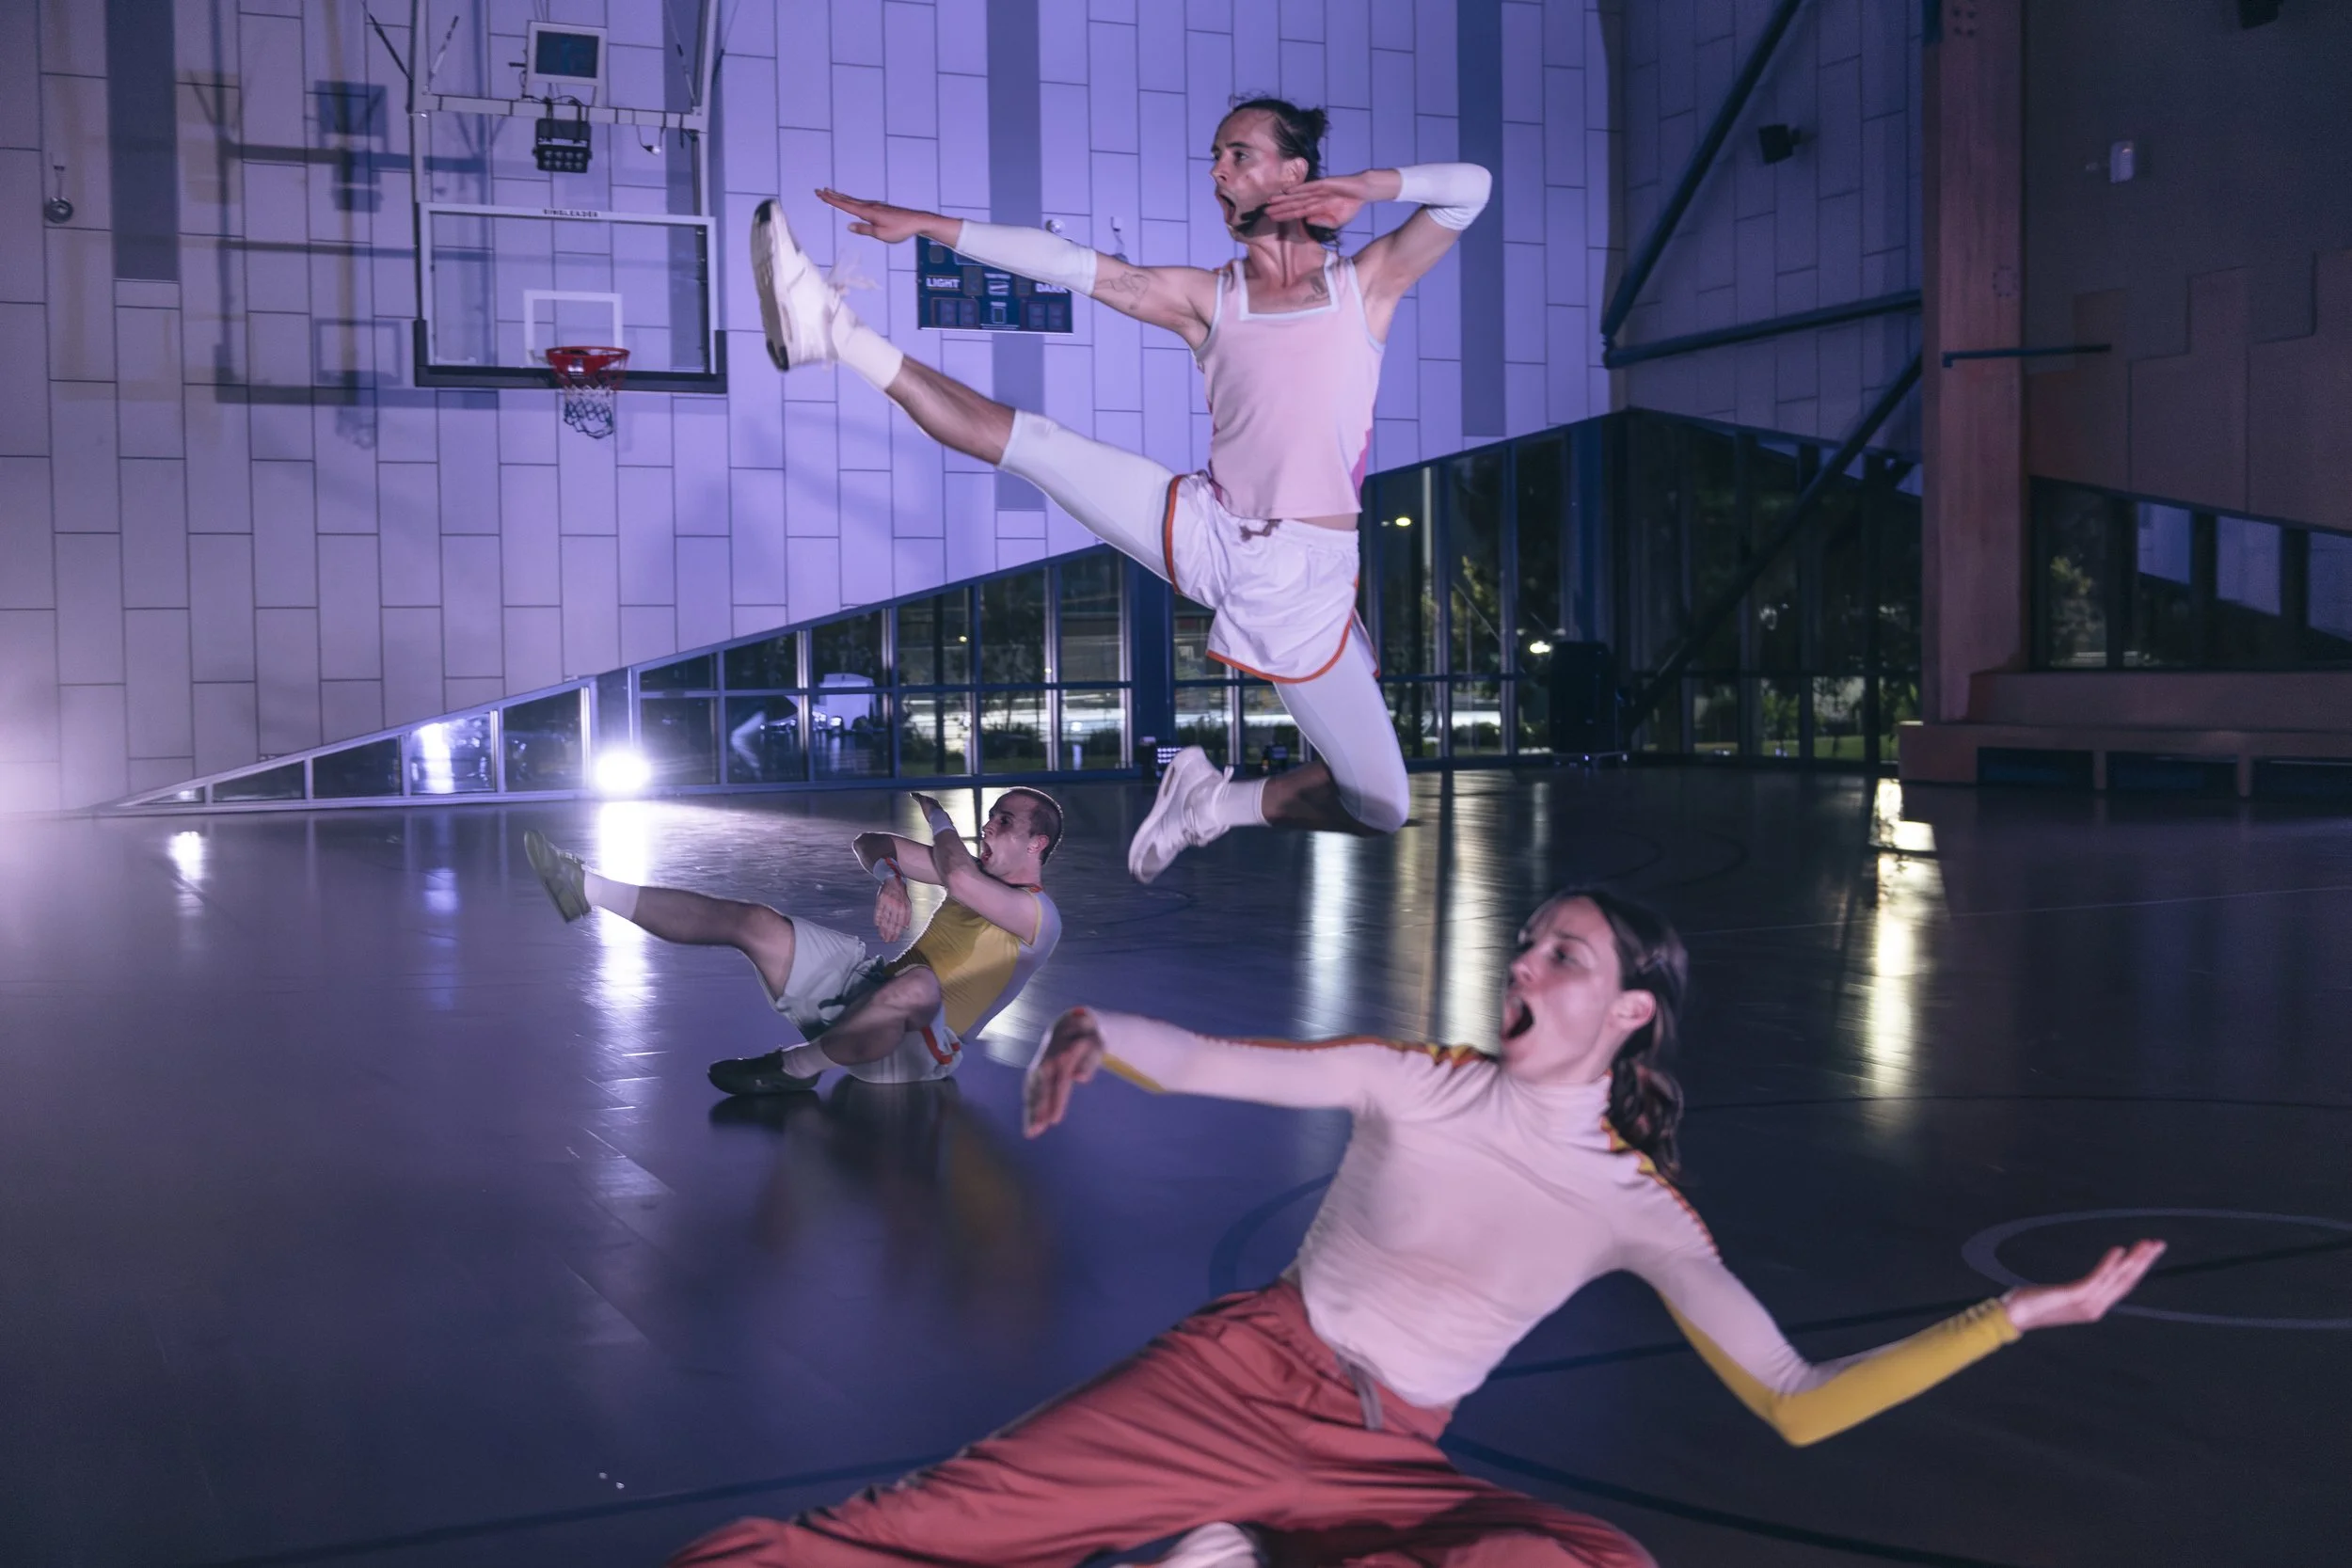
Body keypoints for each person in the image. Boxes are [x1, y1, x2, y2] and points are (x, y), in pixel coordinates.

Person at [666, 887, 2166, 1568]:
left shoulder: (1642, 1209)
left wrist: (2014, 1316)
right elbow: (1210, 1058)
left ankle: (1240, 1551)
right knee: (895, 1538)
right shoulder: (1422, 1080)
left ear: (1629, 1006)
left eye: (1559, 951)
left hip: (1389, 1451)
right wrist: (1092, 1027)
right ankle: (1227, 1536)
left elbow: (1793, 1400)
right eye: (1525, 941)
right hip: (1232, 1379)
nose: (1524, 958)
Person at [750, 97, 1494, 882]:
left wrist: (1368, 187)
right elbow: (1068, 264)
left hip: (1303, 577)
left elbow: (1469, 188)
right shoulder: (1209, 298)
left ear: (1295, 171)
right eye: (1216, 155)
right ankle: (832, 330)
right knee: (1038, 446)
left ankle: (1213, 804)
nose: (1218, 170)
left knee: (1379, 803)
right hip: (1208, 525)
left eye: (1238, 153)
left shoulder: (1366, 285)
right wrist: (933, 225)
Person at [521, 789, 1062, 1094]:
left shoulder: (1038, 915)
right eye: (989, 817)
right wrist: (891, 878)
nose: (987, 827)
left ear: (1036, 843)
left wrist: (940, 817)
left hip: (921, 1046)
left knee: (921, 983)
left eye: (1003, 821)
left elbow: (960, 878)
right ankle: (585, 888)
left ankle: (793, 1068)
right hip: (870, 993)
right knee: (755, 921)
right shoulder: (966, 872)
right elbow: (868, 843)